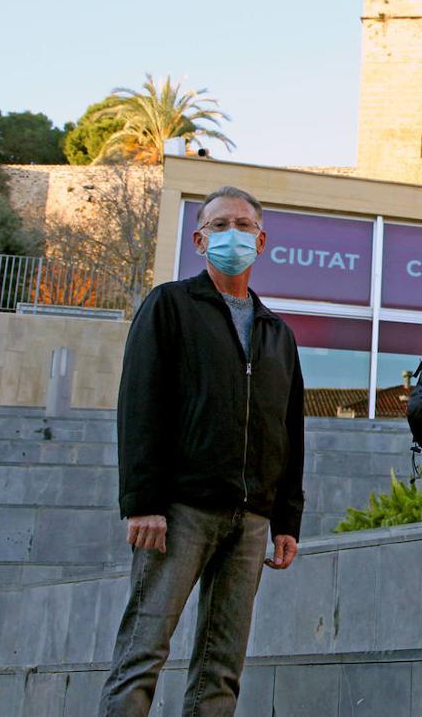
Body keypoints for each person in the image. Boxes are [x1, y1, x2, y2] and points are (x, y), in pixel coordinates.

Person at [100, 186, 306, 717]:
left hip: (251, 519)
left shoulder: (277, 333)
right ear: (199, 239)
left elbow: (289, 430)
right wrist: (142, 500)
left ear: (260, 240)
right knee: (141, 655)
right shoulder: (169, 306)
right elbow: (140, 402)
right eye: (219, 225)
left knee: (222, 670)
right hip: (178, 512)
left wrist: (286, 519)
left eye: (243, 224)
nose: (231, 234)